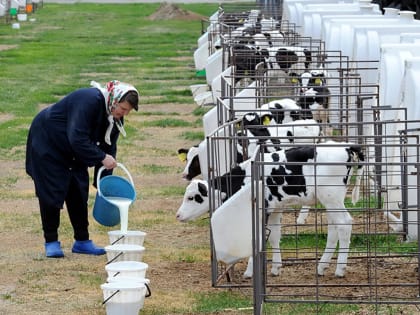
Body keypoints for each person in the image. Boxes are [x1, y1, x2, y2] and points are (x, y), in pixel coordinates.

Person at [25, 80, 140, 258]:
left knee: (78, 189)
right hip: (48, 142)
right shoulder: (89, 100)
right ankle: (51, 241)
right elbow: (77, 137)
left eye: (127, 111)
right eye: (123, 109)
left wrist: (103, 183)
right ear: (114, 99)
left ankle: (82, 241)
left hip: (74, 148)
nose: (123, 113)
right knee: (51, 192)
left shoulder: (114, 115)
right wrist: (101, 157)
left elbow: (110, 148)